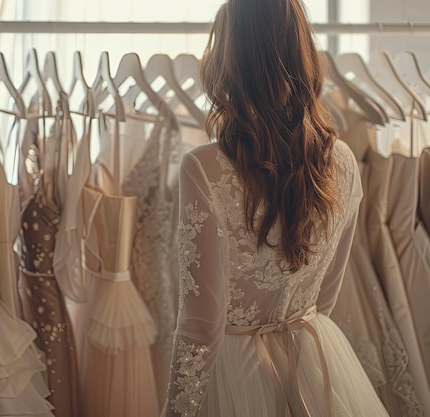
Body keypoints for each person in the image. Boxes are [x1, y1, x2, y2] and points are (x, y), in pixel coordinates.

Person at [161, 0, 390, 416]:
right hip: (314, 359)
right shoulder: (341, 161)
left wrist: (178, 410)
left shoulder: (204, 169)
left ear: (229, 60)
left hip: (237, 374)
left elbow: (200, 325)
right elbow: (325, 297)